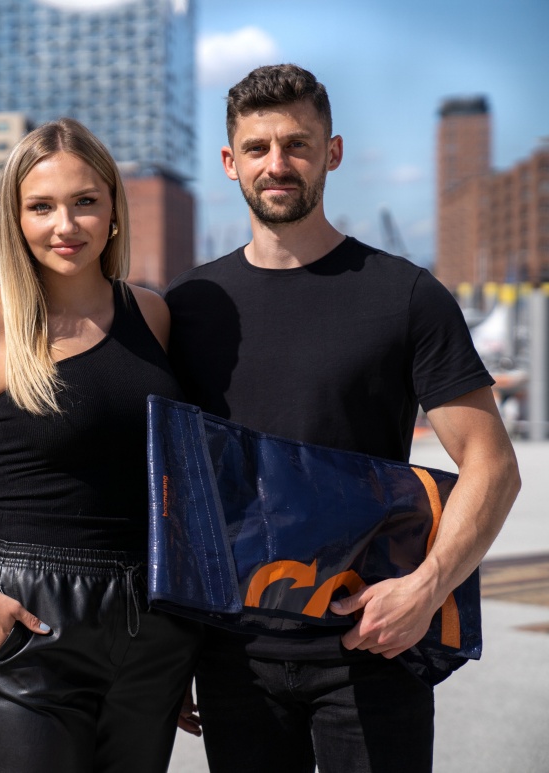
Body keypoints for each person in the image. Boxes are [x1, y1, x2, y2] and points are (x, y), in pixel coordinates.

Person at [165, 63, 521, 773]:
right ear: (231, 163)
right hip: (234, 656)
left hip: (374, 643)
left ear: (331, 152)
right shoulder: (190, 304)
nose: (278, 164)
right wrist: (166, 649)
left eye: (297, 144)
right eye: (259, 148)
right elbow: (176, 486)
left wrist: (427, 588)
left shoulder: (406, 295)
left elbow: (493, 466)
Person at [0, 118, 202, 772]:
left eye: (84, 201)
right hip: (27, 615)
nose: (65, 224)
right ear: (15, 219)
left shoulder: (152, 315)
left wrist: (187, 634)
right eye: (41, 206)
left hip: (148, 624)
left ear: (113, 210)